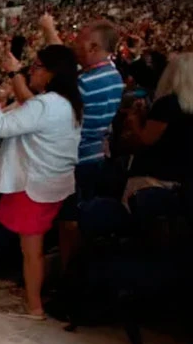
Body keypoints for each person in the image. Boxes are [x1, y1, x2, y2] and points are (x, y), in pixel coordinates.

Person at [0, 44, 83, 319]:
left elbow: (1, 126)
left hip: (34, 184)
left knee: (32, 251)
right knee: (34, 249)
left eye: (36, 67)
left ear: (51, 73)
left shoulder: (46, 104)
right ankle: (32, 294)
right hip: (53, 182)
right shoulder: (68, 102)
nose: (31, 73)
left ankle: (34, 306)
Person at [40, 15, 124, 268]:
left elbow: (52, 107)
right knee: (80, 218)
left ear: (94, 48)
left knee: (70, 222)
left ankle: (70, 277)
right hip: (95, 156)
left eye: (78, 42)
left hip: (77, 159)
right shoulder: (112, 75)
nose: (74, 47)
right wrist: (49, 30)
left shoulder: (86, 84)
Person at [119, 53, 192, 208]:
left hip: (154, 179)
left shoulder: (169, 103)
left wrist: (134, 122)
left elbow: (145, 139)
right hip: (182, 179)